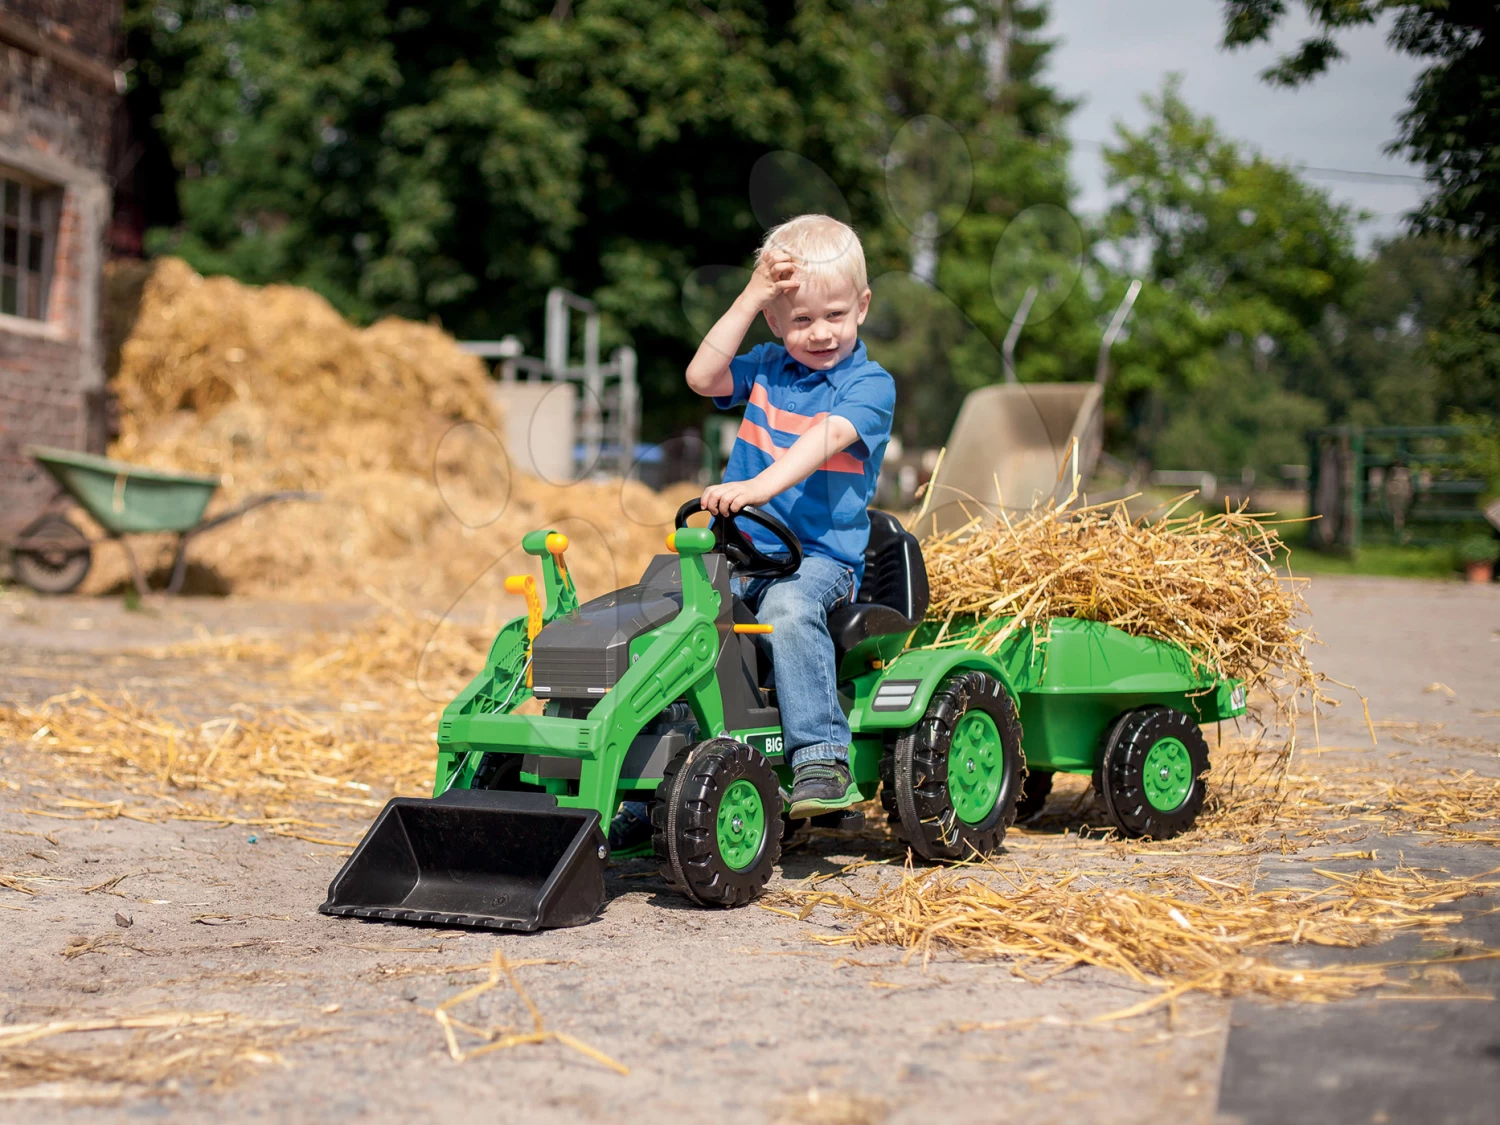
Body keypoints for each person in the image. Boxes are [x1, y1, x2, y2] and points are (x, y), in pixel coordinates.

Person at [609, 214, 895, 849]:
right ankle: (648, 780)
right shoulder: (768, 366)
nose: (820, 332)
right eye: (801, 319)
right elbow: (701, 378)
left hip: (818, 561)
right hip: (741, 553)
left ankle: (821, 756)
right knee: (668, 622)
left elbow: (824, 440)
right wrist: (751, 294)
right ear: (774, 320)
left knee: (789, 609)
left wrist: (759, 486)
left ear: (862, 307)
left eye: (835, 315)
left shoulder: (869, 385)